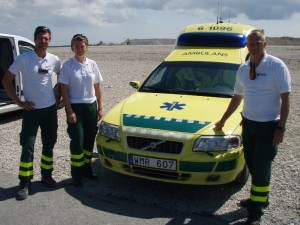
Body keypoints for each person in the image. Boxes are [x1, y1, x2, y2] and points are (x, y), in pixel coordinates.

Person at [215, 30, 291, 225]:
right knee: (252, 164)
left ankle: (256, 212)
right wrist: (223, 120)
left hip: (268, 127)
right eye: (251, 43)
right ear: (246, 46)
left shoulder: (276, 66)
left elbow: (285, 98)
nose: (254, 45)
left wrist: (280, 128)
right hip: (248, 125)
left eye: (258, 42)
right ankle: (259, 198)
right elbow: (237, 98)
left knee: (262, 166)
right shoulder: (243, 69)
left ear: (265, 44)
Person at [2, 26, 61, 200]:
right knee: (27, 147)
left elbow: (62, 79)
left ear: (49, 40)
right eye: (41, 38)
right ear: (35, 39)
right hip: (31, 111)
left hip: (50, 110)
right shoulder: (24, 58)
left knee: (49, 144)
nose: (44, 41)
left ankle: (46, 175)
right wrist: (19, 102)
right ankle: (24, 183)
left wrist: (58, 96)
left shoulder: (54, 60)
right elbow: (6, 80)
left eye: (47, 38)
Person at [58, 34, 104, 187]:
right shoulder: (68, 65)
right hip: (75, 107)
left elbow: (98, 87)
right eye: (76, 46)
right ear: (72, 47)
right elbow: (63, 90)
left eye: (82, 45)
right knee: (77, 140)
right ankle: (76, 174)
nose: (79, 48)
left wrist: (100, 108)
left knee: (89, 139)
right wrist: (69, 110)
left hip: (91, 106)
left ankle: (87, 169)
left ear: (87, 47)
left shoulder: (92, 64)